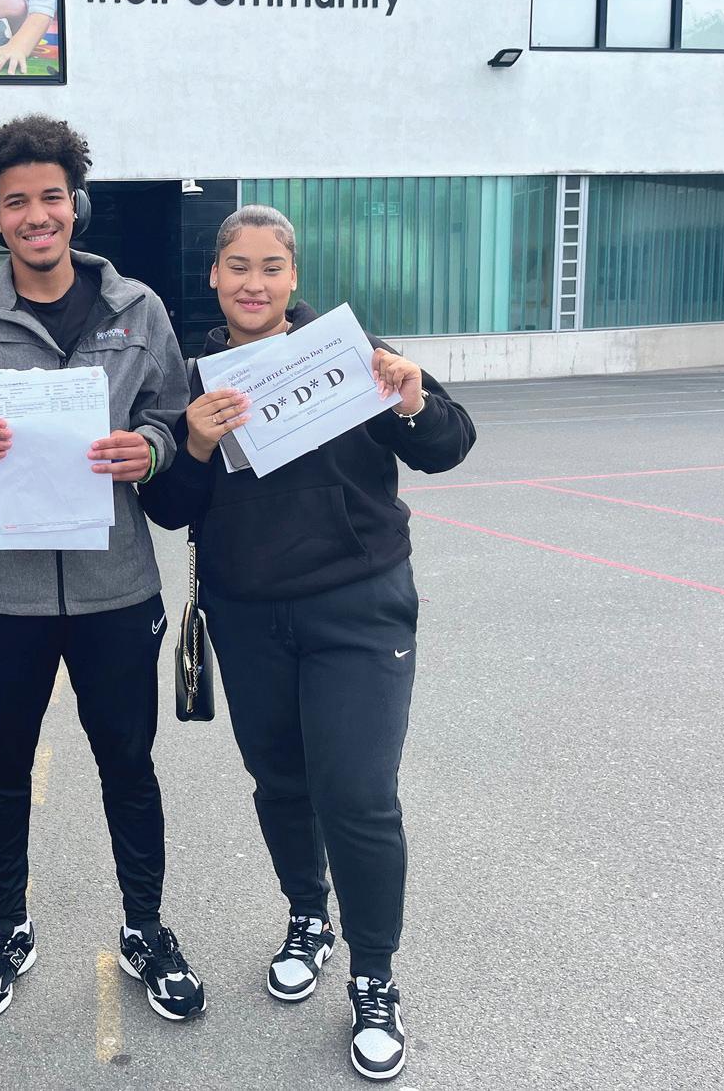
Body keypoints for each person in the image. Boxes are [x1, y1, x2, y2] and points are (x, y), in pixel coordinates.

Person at [141, 205, 477, 1082]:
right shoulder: (192, 380)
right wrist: (195, 443)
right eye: (237, 266)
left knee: (357, 794)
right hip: (249, 617)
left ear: (293, 278)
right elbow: (166, 509)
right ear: (213, 276)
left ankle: (374, 975)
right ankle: (306, 918)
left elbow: (447, 446)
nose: (252, 283)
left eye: (270, 268)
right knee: (282, 784)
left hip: (358, 609)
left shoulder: (348, 353)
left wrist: (412, 398)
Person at [0, 115, 205, 1023]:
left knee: (128, 765)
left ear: (75, 204)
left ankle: (146, 926)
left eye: (50, 197)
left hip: (117, 587)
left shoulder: (137, 308)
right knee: (1, 768)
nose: (36, 215)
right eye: (15, 203)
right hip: (3, 596)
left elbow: (172, 415)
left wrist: (149, 450)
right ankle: (7, 926)